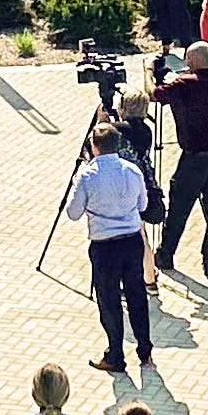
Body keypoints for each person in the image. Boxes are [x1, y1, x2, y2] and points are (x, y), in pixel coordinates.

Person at [62, 122, 155, 377]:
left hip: (105, 247)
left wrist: (76, 184)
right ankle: (145, 350)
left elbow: (72, 213)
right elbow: (143, 204)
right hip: (132, 241)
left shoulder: (87, 175)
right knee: (136, 295)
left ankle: (115, 354)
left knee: (110, 300)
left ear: (93, 146)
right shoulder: (132, 170)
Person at [150, 44, 208, 277]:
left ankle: (166, 254)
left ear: (190, 62)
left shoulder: (184, 85)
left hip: (193, 158)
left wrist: (148, 70)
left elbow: (154, 94)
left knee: (179, 208)